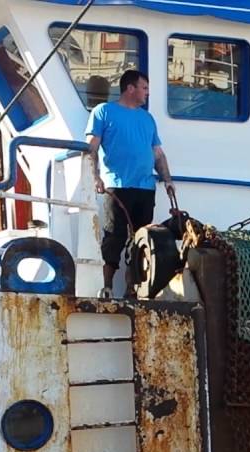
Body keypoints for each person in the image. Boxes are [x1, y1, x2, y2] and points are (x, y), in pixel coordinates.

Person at [85, 69, 176, 298]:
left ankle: (132, 289)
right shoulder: (103, 111)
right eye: (144, 88)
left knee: (142, 238)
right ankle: (106, 286)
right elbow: (91, 147)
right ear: (130, 88)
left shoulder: (147, 118)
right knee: (113, 235)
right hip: (117, 186)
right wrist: (95, 176)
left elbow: (158, 153)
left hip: (145, 188)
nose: (147, 93)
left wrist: (168, 180)